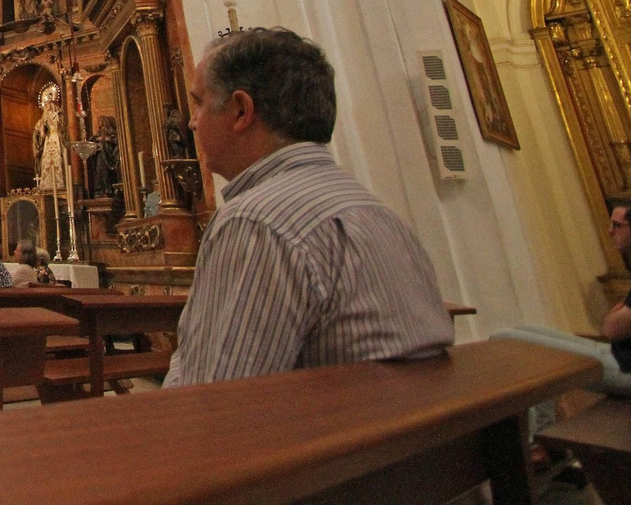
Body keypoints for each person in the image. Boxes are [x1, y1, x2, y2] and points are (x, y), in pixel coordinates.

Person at [162, 27, 453, 388]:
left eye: (200, 103)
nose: (192, 122)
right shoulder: (375, 210)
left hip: (335, 440)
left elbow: (214, 403)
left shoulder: (256, 223)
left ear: (240, 110)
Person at [495, 200, 631, 401]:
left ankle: (538, 431)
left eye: (617, 226)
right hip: (624, 357)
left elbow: (611, 330)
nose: (610, 231)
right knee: (519, 332)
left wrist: (617, 315)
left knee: (511, 342)